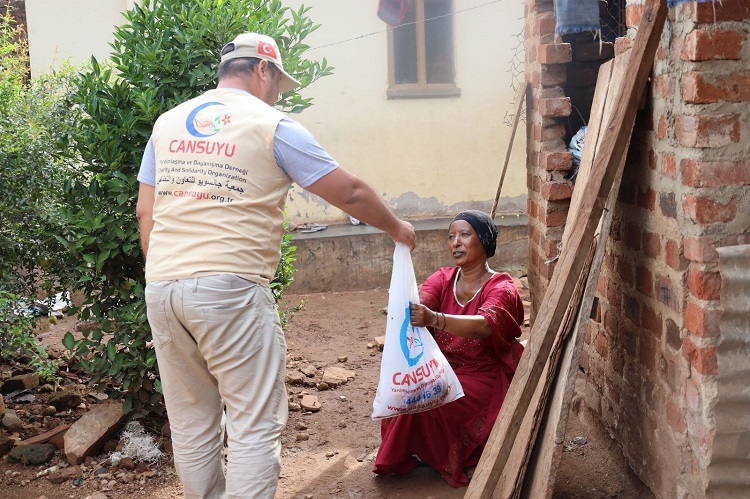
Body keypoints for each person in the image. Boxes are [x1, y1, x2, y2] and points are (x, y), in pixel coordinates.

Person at [135, 32, 416, 499]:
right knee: (252, 422)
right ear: (262, 69)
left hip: (163, 286)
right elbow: (348, 193)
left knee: (190, 422)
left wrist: (166, 271)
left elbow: (146, 212)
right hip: (230, 287)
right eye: (276, 83)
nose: (276, 93)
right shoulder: (272, 125)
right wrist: (395, 227)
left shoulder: (166, 124)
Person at [373, 209, 524, 488]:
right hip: (445, 366)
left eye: (465, 235)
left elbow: (485, 326)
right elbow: (422, 299)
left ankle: (442, 453)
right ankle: (420, 450)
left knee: (436, 400)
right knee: (411, 392)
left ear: (484, 241)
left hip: (484, 374)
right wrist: (407, 300)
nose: (456, 242)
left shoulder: (502, 286)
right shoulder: (443, 278)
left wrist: (435, 319)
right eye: (451, 236)